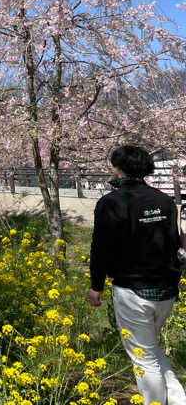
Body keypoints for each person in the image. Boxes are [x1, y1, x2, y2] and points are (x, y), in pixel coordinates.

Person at [88, 145, 186, 405]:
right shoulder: (163, 200)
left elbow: (100, 247)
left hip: (133, 291)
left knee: (143, 357)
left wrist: (96, 285)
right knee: (150, 348)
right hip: (165, 289)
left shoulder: (112, 202)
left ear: (118, 168)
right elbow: (173, 243)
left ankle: (156, 402)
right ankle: (177, 399)